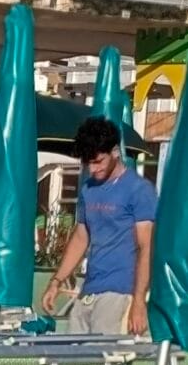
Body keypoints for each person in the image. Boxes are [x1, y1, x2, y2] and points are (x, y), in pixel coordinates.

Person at [38, 116, 154, 335]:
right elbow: (81, 237)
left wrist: (139, 301)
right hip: (89, 289)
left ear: (115, 152)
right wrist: (56, 281)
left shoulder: (139, 190)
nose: (92, 169)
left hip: (121, 291)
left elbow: (146, 247)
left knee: (104, 354)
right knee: (74, 352)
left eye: (98, 161)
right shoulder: (88, 189)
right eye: (88, 163)